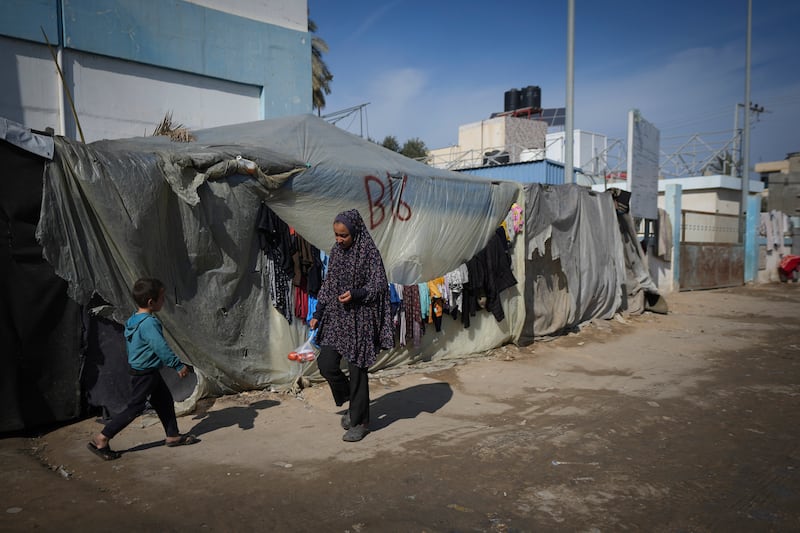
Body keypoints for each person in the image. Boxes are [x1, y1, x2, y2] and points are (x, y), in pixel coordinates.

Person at [87, 278, 198, 460]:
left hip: (146, 370)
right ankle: (102, 437)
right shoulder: (149, 323)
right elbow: (160, 346)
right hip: (145, 373)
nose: (164, 302)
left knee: (164, 401)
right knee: (134, 408)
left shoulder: (134, 319)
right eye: (162, 298)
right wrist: (177, 365)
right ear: (151, 302)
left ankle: (172, 435)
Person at [309, 209, 395, 442]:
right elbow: (329, 284)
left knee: (358, 372)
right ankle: (354, 402)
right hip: (337, 319)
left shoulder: (369, 252)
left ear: (355, 232)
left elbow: (379, 285)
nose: (339, 240)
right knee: (326, 364)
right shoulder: (337, 252)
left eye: (343, 235)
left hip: (360, 321)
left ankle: (360, 422)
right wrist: (318, 312)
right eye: (336, 235)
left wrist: (356, 293)